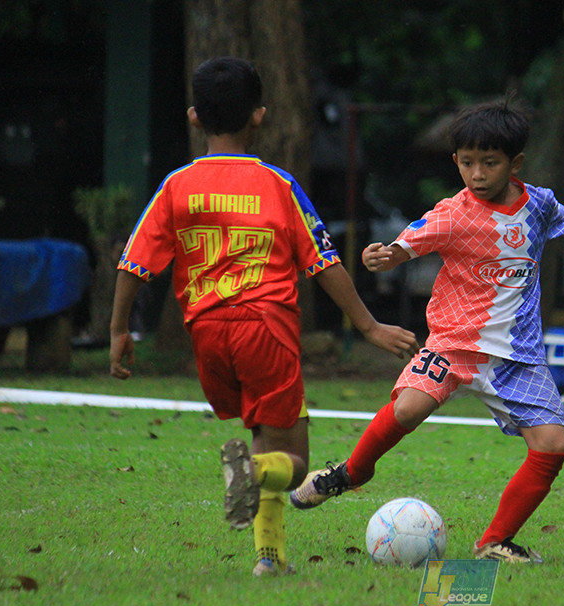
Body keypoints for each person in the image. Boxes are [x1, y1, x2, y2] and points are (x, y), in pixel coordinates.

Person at [108, 57, 419, 577]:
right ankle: (253, 473)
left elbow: (133, 264)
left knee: (261, 430)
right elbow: (324, 263)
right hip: (266, 329)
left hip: (206, 333)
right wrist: (369, 326)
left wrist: (120, 330)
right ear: (259, 114)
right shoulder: (278, 184)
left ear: (193, 116)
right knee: (292, 463)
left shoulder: (176, 185)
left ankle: (268, 557)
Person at [289, 97, 564, 563]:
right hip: (454, 345)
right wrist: (383, 256)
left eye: (489, 163)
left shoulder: (540, 205)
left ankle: (495, 541)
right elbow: (405, 245)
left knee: (554, 445)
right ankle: (352, 472)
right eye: (467, 163)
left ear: (515, 164)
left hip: (518, 357)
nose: (477, 174)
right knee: (408, 408)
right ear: (456, 161)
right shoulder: (453, 214)